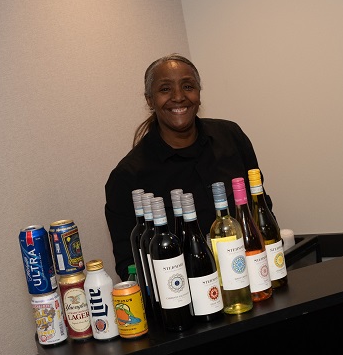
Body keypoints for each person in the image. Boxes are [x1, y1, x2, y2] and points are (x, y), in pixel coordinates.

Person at [104, 54, 272, 282]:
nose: (179, 97)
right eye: (165, 89)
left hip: (253, 280)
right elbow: (131, 265)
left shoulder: (232, 137)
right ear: (150, 100)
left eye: (188, 86)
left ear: (199, 93)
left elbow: (260, 209)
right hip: (185, 301)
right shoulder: (128, 177)